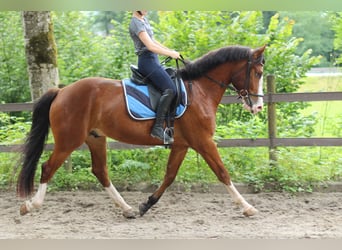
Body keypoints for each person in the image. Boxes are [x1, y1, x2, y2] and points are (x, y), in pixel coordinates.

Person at [129, 10, 180, 144]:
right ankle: (157, 127)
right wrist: (169, 53)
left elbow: (154, 41)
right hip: (147, 62)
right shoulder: (135, 23)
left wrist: (170, 51)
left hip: (154, 59)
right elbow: (150, 46)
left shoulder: (143, 20)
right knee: (170, 89)